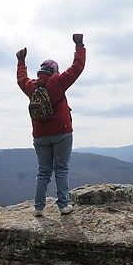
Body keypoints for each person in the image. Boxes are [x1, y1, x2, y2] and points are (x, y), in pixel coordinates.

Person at [16, 33, 86, 217]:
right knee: (61, 169)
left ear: (41, 71)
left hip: (39, 135)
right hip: (62, 133)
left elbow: (21, 79)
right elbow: (77, 67)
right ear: (54, 71)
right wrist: (79, 45)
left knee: (43, 171)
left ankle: (38, 208)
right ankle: (63, 205)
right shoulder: (58, 82)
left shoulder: (32, 86)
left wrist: (21, 61)